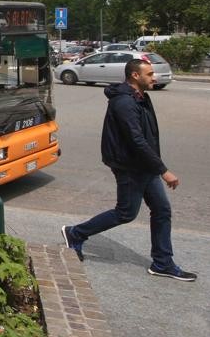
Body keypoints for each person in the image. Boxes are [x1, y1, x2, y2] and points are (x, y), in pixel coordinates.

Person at [63, 60, 195, 282]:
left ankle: (162, 262)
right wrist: (163, 170)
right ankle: (75, 233)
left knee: (162, 210)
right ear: (135, 75)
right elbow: (136, 140)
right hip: (131, 167)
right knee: (125, 213)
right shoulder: (124, 102)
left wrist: (155, 164)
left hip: (145, 165)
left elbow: (148, 136)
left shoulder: (141, 97)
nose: (154, 77)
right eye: (150, 74)